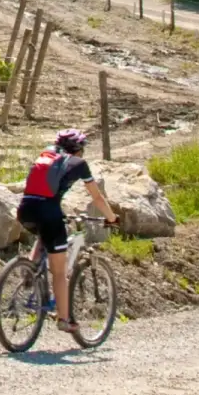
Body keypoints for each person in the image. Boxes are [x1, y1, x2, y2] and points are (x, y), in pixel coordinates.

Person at [12, 128, 117, 334]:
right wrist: (112, 218)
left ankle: (30, 272)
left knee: (44, 236)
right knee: (59, 272)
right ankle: (64, 319)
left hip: (25, 209)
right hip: (49, 213)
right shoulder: (79, 164)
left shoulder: (46, 156)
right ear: (79, 149)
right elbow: (96, 197)